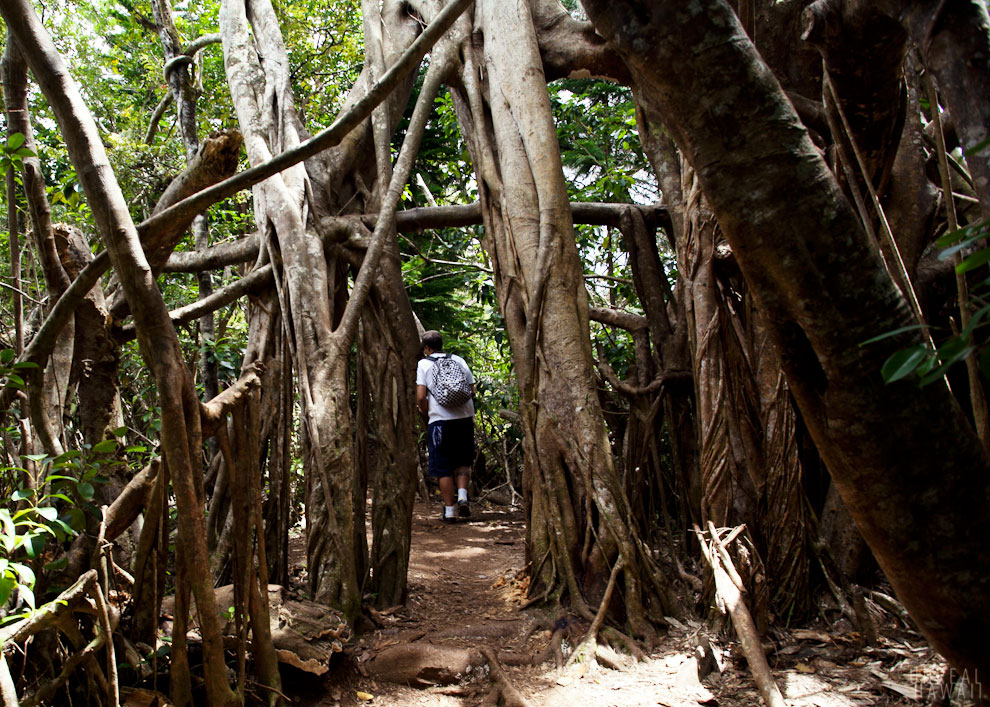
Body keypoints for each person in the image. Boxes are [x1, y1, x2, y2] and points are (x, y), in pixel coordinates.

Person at [416, 330, 475, 523]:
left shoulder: (424, 364)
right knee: (462, 460)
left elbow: (420, 396)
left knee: (442, 466)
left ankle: (449, 511)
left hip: (440, 421)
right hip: (464, 418)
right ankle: (464, 496)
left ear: (426, 348)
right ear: (442, 344)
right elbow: (472, 389)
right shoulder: (458, 360)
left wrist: (426, 411)